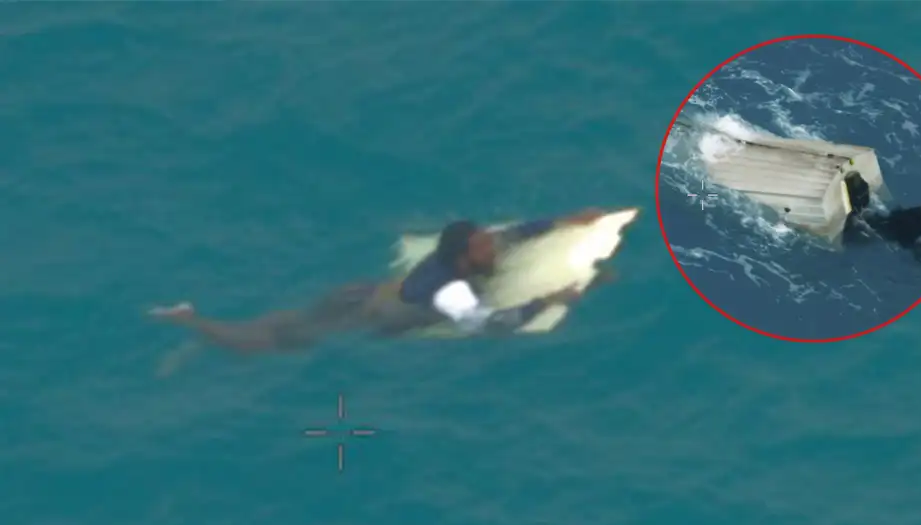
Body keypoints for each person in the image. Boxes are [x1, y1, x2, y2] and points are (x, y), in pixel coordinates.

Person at [148, 208, 607, 352]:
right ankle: (192, 323)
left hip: (362, 292)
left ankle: (200, 328)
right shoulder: (451, 292)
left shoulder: (456, 257)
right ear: (465, 257)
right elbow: (491, 325)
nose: (493, 247)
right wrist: (554, 298)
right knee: (274, 341)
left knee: (285, 322)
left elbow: (510, 235)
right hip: (360, 316)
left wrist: (568, 221)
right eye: (483, 247)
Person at [841, 170, 921, 260]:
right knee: (869, 225)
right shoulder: (911, 237)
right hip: (891, 226)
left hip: (893, 221)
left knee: (875, 220)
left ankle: (857, 195)